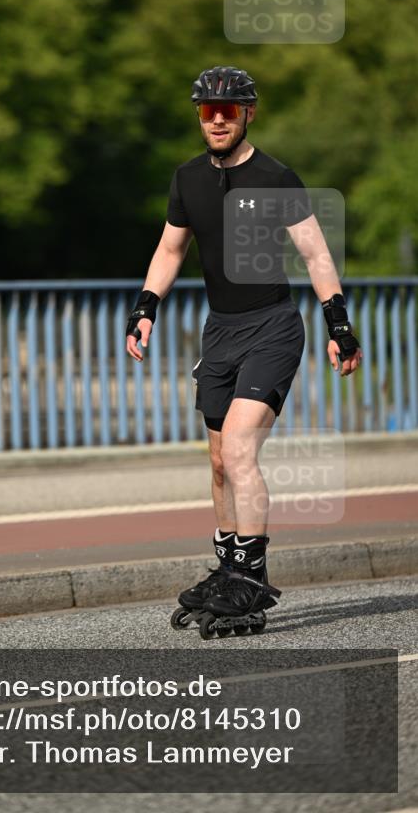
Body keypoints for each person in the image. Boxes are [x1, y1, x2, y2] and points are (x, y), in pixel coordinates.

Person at [125, 64, 362, 633]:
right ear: (199, 116)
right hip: (221, 332)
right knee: (218, 464)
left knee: (237, 449)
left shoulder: (277, 178)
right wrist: (144, 309)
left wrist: (339, 326)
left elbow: (315, 255)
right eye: (208, 111)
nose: (217, 120)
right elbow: (170, 250)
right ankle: (229, 570)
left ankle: (250, 580)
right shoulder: (187, 178)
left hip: (273, 328)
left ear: (248, 113)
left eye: (228, 110)